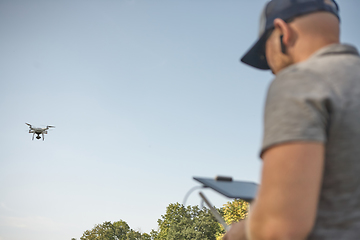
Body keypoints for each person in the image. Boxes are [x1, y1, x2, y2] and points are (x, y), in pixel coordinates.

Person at [224, 0, 360, 239]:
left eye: (266, 57)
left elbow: (277, 230)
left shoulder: (301, 82)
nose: (272, 70)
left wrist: (239, 232)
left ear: (283, 32)